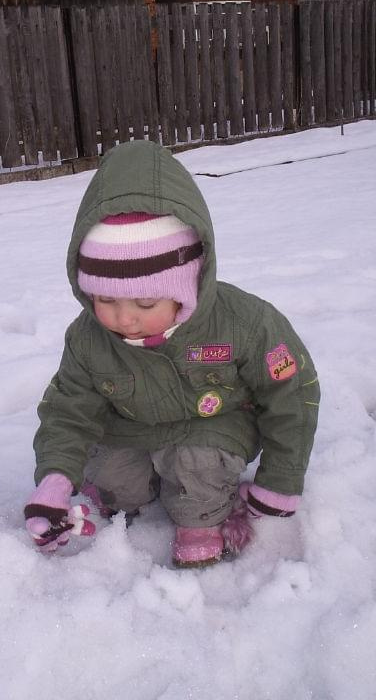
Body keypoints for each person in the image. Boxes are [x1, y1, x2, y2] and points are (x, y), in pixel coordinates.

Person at [24, 140, 320, 567]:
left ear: (187, 287)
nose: (124, 319)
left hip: (214, 427)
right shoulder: (88, 338)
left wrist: (280, 479)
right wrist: (53, 482)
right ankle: (122, 492)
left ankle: (201, 518)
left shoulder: (244, 323)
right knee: (115, 481)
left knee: (197, 467)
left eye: (145, 304)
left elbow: (291, 393)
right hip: (132, 429)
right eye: (105, 300)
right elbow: (68, 411)